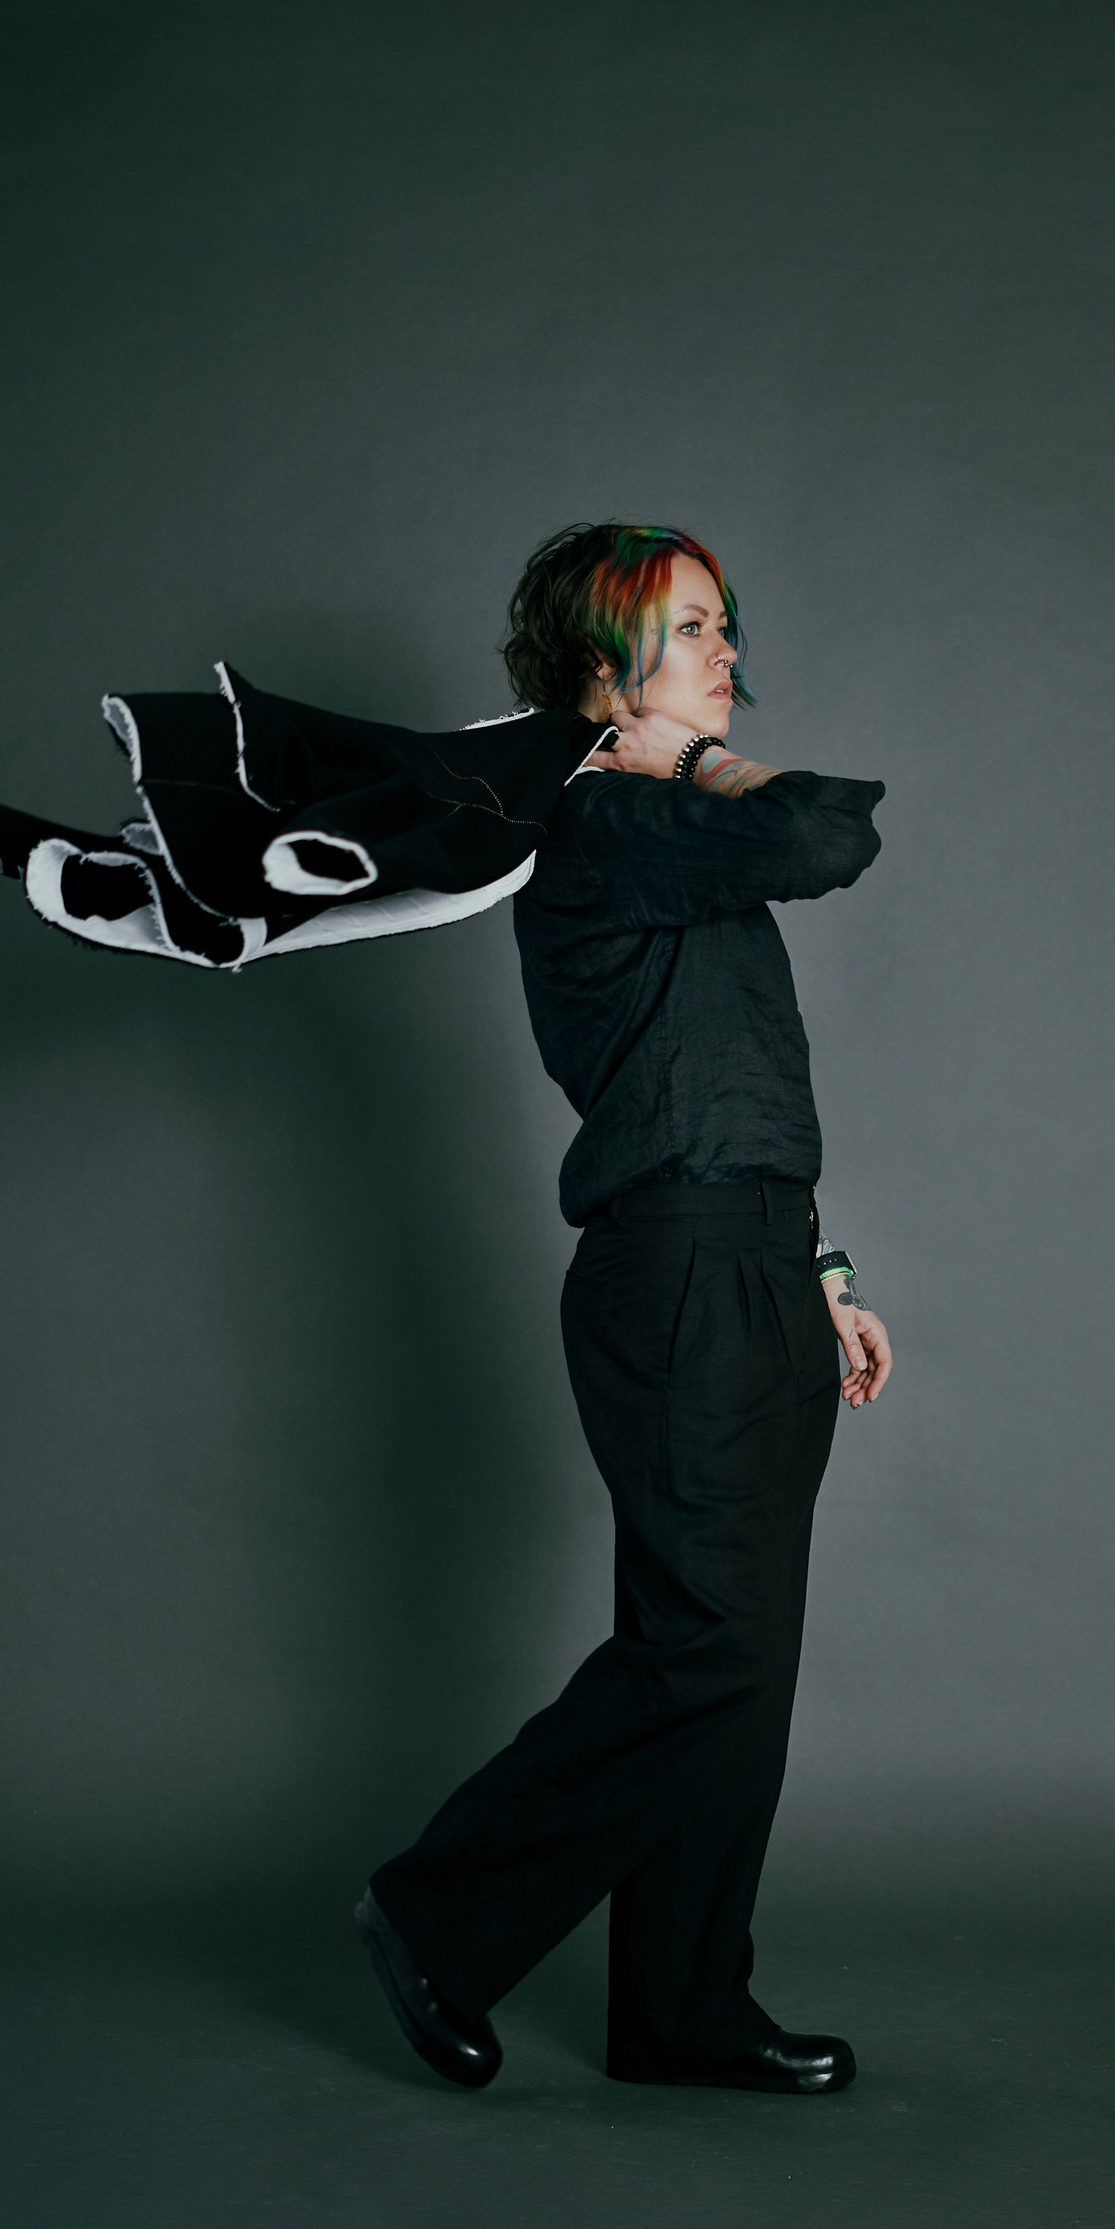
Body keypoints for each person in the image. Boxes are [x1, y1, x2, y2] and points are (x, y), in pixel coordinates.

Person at [356, 523, 891, 2095]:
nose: (730, 655)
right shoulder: (602, 823)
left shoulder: (674, 840)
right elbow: (826, 835)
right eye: (694, 630)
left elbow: (728, 1081)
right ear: (604, 673)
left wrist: (823, 1271)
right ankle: (436, 1910)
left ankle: (683, 2011)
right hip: (676, 1274)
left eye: (728, 626)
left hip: (757, 1260)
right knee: (705, 1652)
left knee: (740, 1662)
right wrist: (696, 762)